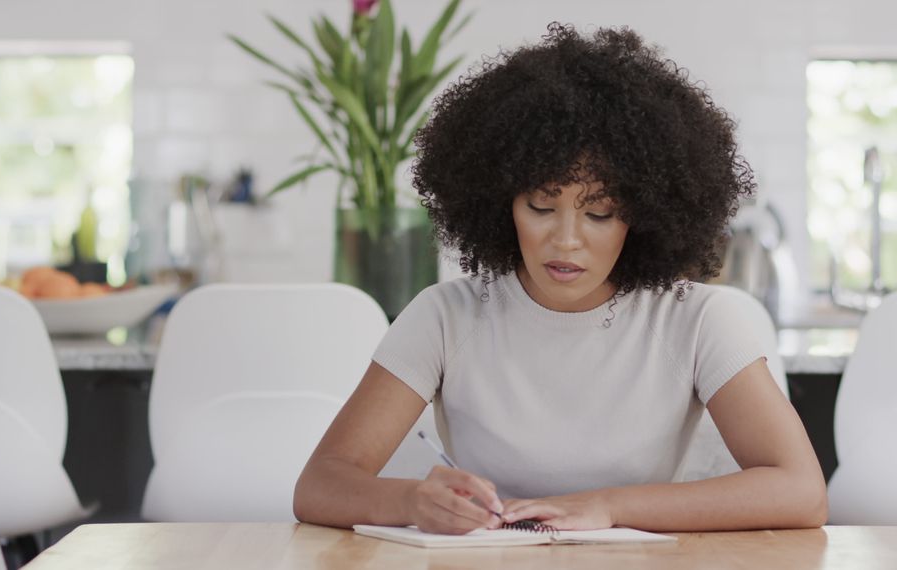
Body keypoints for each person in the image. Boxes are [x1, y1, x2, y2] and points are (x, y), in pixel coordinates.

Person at [294, 23, 827, 535]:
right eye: (541, 206)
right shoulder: (445, 315)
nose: (566, 240)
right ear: (502, 203)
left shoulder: (696, 319)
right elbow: (321, 483)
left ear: (641, 217)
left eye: (598, 214)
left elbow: (801, 491)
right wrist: (411, 501)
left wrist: (609, 506)